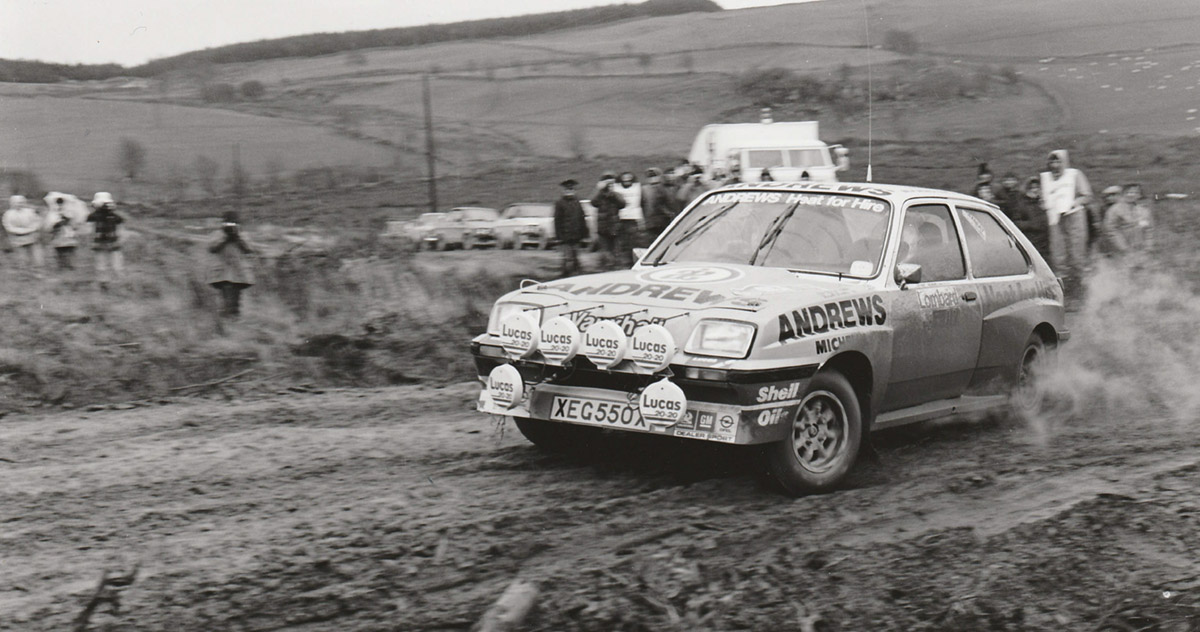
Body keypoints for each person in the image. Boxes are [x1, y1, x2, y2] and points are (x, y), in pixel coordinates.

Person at [1039, 150, 1092, 304]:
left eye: (1058, 162)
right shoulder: (1046, 178)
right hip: (1055, 218)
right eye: (1052, 162)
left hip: (1074, 216)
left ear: (1064, 162)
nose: (1055, 166)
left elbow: (1087, 195)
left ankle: (1083, 293)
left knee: (1077, 254)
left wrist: (1075, 203)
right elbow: (1044, 198)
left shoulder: (1074, 175)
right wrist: (1044, 203)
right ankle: (1063, 295)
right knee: (1058, 255)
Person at [208, 211, 257, 317]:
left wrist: (238, 238)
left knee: (235, 300)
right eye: (227, 224)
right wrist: (225, 238)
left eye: (233, 224)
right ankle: (227, 317)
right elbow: (211, 248)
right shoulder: (217, 234)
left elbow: (249, 249)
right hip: (222, 272)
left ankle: (232, 318)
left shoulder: (243, 235)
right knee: (226, 297)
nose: (230, 226)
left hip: (238, 272)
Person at [1103, 183, 1154, 260]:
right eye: (1128, 192)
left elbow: (1149, 230)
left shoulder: (1144, 211)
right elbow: (1111, 230)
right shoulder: (1114, 210)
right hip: (1120, 248)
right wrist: (1124, 248)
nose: (1131, 195)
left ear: (1139, 195)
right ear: (1123, 194)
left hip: (1140, 248)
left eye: (1135, 193)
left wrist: (1148, 247)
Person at [87, 192, 125, 289]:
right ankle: (105, 284)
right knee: (103, 265)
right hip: (103, 243)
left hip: (109, 243)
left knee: (113, 265)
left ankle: (114, 283)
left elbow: (120, 227)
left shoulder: (113, 217)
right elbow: (90, 229)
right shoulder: (95, 216)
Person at [553, 179, 588, 277]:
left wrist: (585, 233)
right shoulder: (560, 203)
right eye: (567, 189)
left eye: (571, 189)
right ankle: (566, 275)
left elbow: (582, 218)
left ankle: (577, 275)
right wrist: (559, 236)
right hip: (565, 236)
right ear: (563, 191)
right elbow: (557, 221)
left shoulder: (577, 202)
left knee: (576, 257)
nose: (569, 191)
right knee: (568, 258)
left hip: (577, 235)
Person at [591, 173, 625, 270]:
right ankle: (607, 267)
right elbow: (593, 202)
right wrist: (600, 190)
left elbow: (622, 204)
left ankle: (616, 268)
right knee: (605, 251)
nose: (610, 185)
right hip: (603, 228)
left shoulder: (617, 195)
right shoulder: (600, 196)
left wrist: (613, 194)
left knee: (617, 251)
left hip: (615, 228)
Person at [3, 195, 45, 270]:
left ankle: (38, 270)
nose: (19, 204)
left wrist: (32, 229)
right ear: (12, 203)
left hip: (32, 237)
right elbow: (8, 226)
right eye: (16, 202)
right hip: (17, 238)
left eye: (21, 202)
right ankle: (25, 272)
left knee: (37, 256)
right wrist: (21, 231)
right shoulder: (8, 214)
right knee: (22, 258)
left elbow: (37, 221)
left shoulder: (30, 212)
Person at [1012, 177, 1050, 260]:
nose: (1035, 190)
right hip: (1030, 241)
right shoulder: (1020, 204)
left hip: (1044, 241)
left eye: (1037, 187)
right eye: (1032, 188)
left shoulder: (1043, 202)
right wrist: (1031, 224)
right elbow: (1016, 223)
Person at [44, 195, 81, 270]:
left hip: (69, 234)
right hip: (58, 234)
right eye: (58, 203)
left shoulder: (70, 212)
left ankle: (71, 265)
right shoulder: (52, 213)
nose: (60, 205)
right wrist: (55, 224)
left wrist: (67, 220)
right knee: (59, 250)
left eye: (62, 203)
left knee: (70, 249)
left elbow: (75, 223)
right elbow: (48, 226)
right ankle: (61, 266)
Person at [642, 167, 679, 242]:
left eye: (655, 176)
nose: (653, 179)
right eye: (650, 177)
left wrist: (669, 213)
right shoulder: (644, 189)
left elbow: (667, 203)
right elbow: (642, 204)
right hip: (650, 220)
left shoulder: (665, 188)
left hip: (664, 220)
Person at [614, 171, 643, 267]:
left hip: (633, 219)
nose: (626, 181)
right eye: (624, 179)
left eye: (629, 179)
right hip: (620, 219)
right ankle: (624, 263)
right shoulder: (616, 188)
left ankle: (632, 263)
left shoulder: (638, 188)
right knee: (622, 244)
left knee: (633, 243)